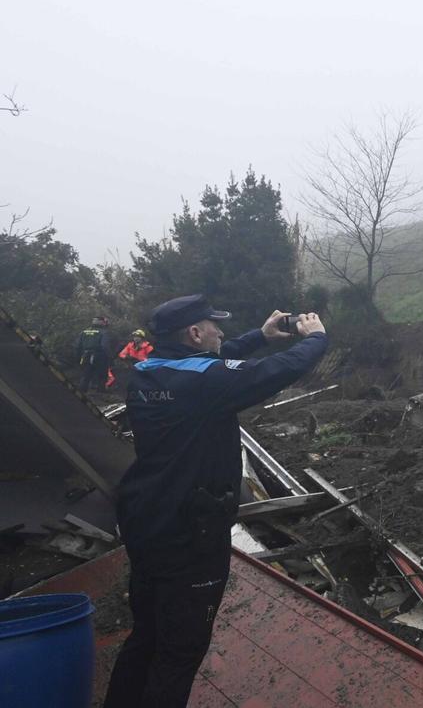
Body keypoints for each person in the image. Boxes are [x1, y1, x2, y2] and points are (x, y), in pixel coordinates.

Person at [103, 295, 328, 708]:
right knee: (179, 653)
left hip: (147, 520)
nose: (220, 331)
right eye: (212, 325)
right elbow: (275, 371)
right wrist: (315, 338)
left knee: (147, 636)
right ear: (194, 333)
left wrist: (259, 336)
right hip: (191, 532)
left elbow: (216, 362)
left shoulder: (148, 374)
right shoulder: (202, 382)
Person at [76, 315, 113, 392]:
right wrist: (110, 357)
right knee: (102, 375)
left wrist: (78, 357)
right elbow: (105, 346)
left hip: (85, 355)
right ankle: (101, 393)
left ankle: (81, 393)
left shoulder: (84, 331)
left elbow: (78, 345)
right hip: (100, 356)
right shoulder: (103, 332)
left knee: (86, 375)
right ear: (102, 322)